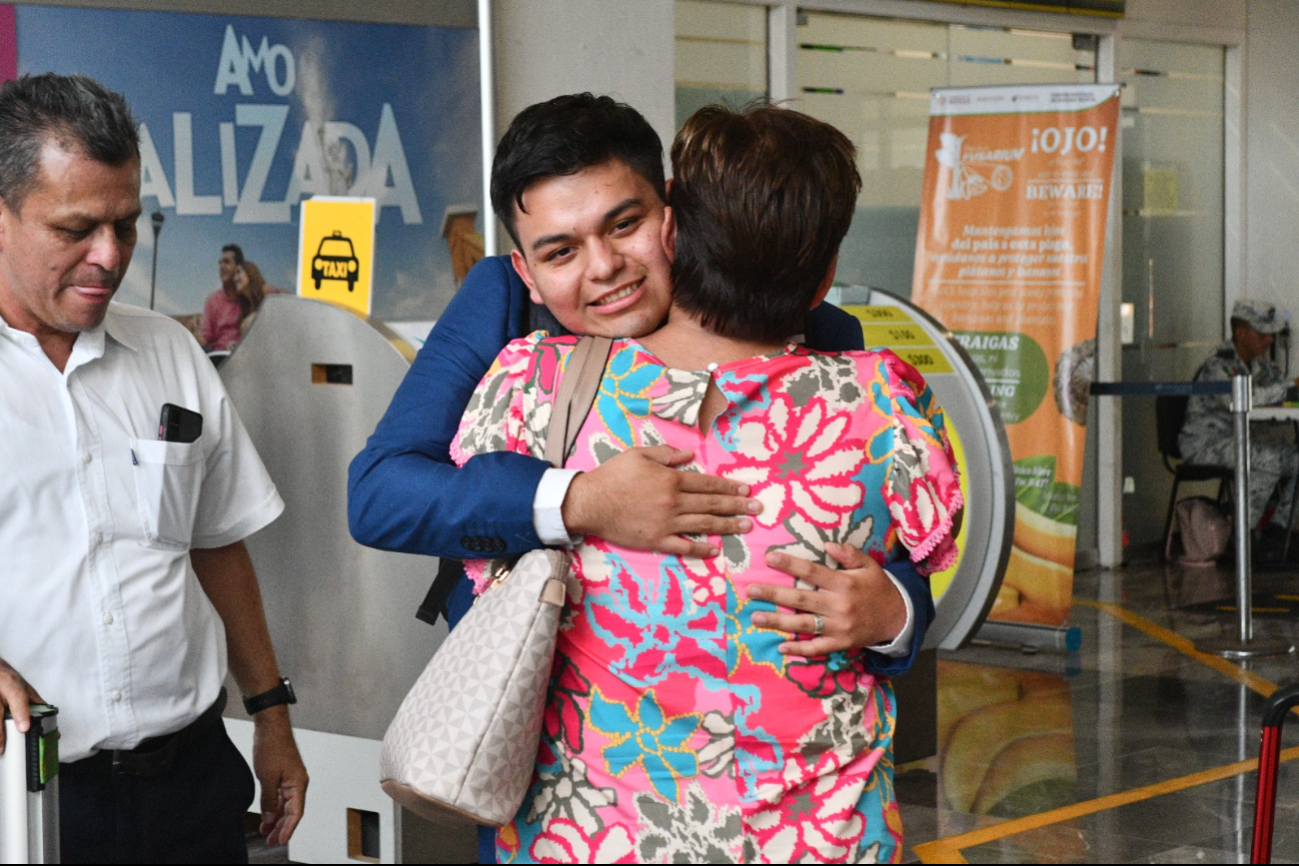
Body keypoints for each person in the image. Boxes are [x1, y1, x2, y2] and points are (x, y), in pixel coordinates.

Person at [452, 103, 961, 863]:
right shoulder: (882, 400)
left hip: (587, 835)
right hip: (815, 835)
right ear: (824, 280)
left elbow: (473, 541)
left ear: (670, 233)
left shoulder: (533, 383)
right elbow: (932, 536)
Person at [348, 93, 932, 669]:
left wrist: (894, 614)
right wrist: (580, 500)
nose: (604, 266)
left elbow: (877, 535)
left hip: (758, 719)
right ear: (525, 271)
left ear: (673, 213)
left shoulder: (799, 323)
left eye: (625, 224)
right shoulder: (502, 307)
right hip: (539, 696)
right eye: (560, 253)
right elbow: (381, 493)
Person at [0, 73, 307, 862]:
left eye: (126, 226)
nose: (109, 258)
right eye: (76, 229)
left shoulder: (168, 350)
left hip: (190, 785)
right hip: (24, 796)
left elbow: (215, 540)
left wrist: (271, 714)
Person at [1180, 299, 1299, 556]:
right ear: (1241, 332)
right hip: (1205, 444)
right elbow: (1244, 399)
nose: (1269, 340)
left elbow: (1278, 383)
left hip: (1236, 442)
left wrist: (1289, 387)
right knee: (1270, 460)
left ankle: (1276, 533)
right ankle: (1239, 540)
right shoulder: (1218, 365)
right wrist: (1288, 389)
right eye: (1262, 333)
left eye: (1271, 333)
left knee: (1295, 458)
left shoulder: (1257, 363)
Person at [200, 242, 245, 351]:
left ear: (239, 267)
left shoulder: (247, 297)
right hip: (217, 356)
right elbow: (205, 336)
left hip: (242, 355)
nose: (221, 266)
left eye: (227, 262)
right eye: (220, 263)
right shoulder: (213, 300)